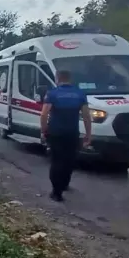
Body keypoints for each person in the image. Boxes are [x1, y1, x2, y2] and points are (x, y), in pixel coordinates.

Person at [40, 70, 92, 202]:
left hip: (56, 133)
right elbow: (86, 115)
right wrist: (88, 134)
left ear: (58, 79)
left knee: (56, 161)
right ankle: (64, 184)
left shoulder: (53, 93)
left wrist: (43, 130)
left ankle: (56, 192)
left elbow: (44, 114)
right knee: (69, 161)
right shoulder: (79, 93)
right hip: (72, 133)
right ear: (70, 79)